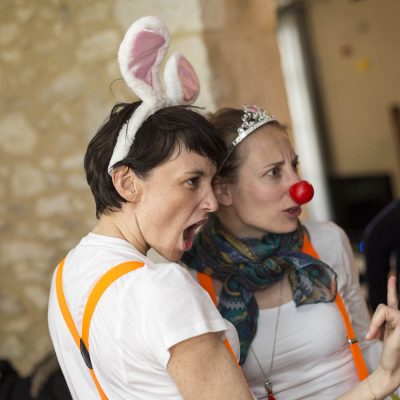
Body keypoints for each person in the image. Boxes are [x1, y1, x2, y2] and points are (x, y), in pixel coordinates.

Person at [48, 16, 253, 400]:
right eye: (192, 181)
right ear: (127, 183)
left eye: (212, 182)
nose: (211, 202)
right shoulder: (163, 288)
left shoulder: (66, 276)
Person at [182, 105, 399, 399]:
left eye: (293, 166)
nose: (298, 186)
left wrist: (390, 346)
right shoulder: (191, 280)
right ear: (222, 191)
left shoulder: (328, 242)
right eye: (274, 172)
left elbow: (365, 346)